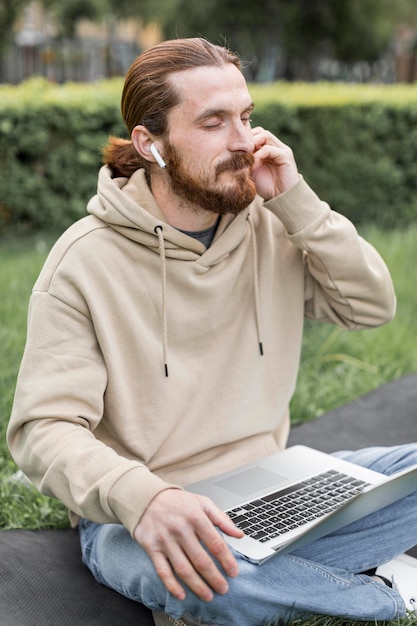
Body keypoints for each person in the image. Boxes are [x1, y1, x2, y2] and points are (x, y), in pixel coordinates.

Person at [7, 37, 417, 626]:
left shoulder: (272, 224)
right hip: (144, 511)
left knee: (232, 579)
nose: (244, 141)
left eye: (246, 117)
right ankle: (380, 591)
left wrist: (297, 204)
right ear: (153, 145)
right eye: (213, 122)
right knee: (207, 584)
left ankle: (293, 578)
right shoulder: (83, 262)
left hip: (279, 485)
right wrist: (145, 498)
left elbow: (371, 306)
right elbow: (41, 431)